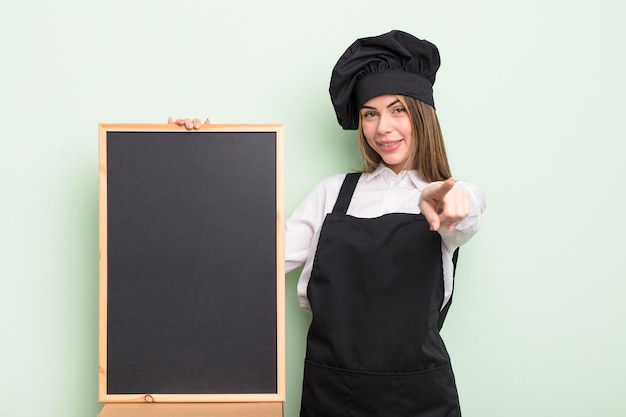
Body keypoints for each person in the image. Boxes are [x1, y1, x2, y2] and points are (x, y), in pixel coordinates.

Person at [172, 29, 486, 417]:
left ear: (422, 114)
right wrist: (191, 157)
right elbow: (250, 263)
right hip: (334, 394)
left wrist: (454, 200)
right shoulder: (331, 194)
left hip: (419, 394)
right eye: (370, 114)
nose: (382, 128)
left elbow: (468, 208)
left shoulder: (445, 197)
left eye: (397, 109)